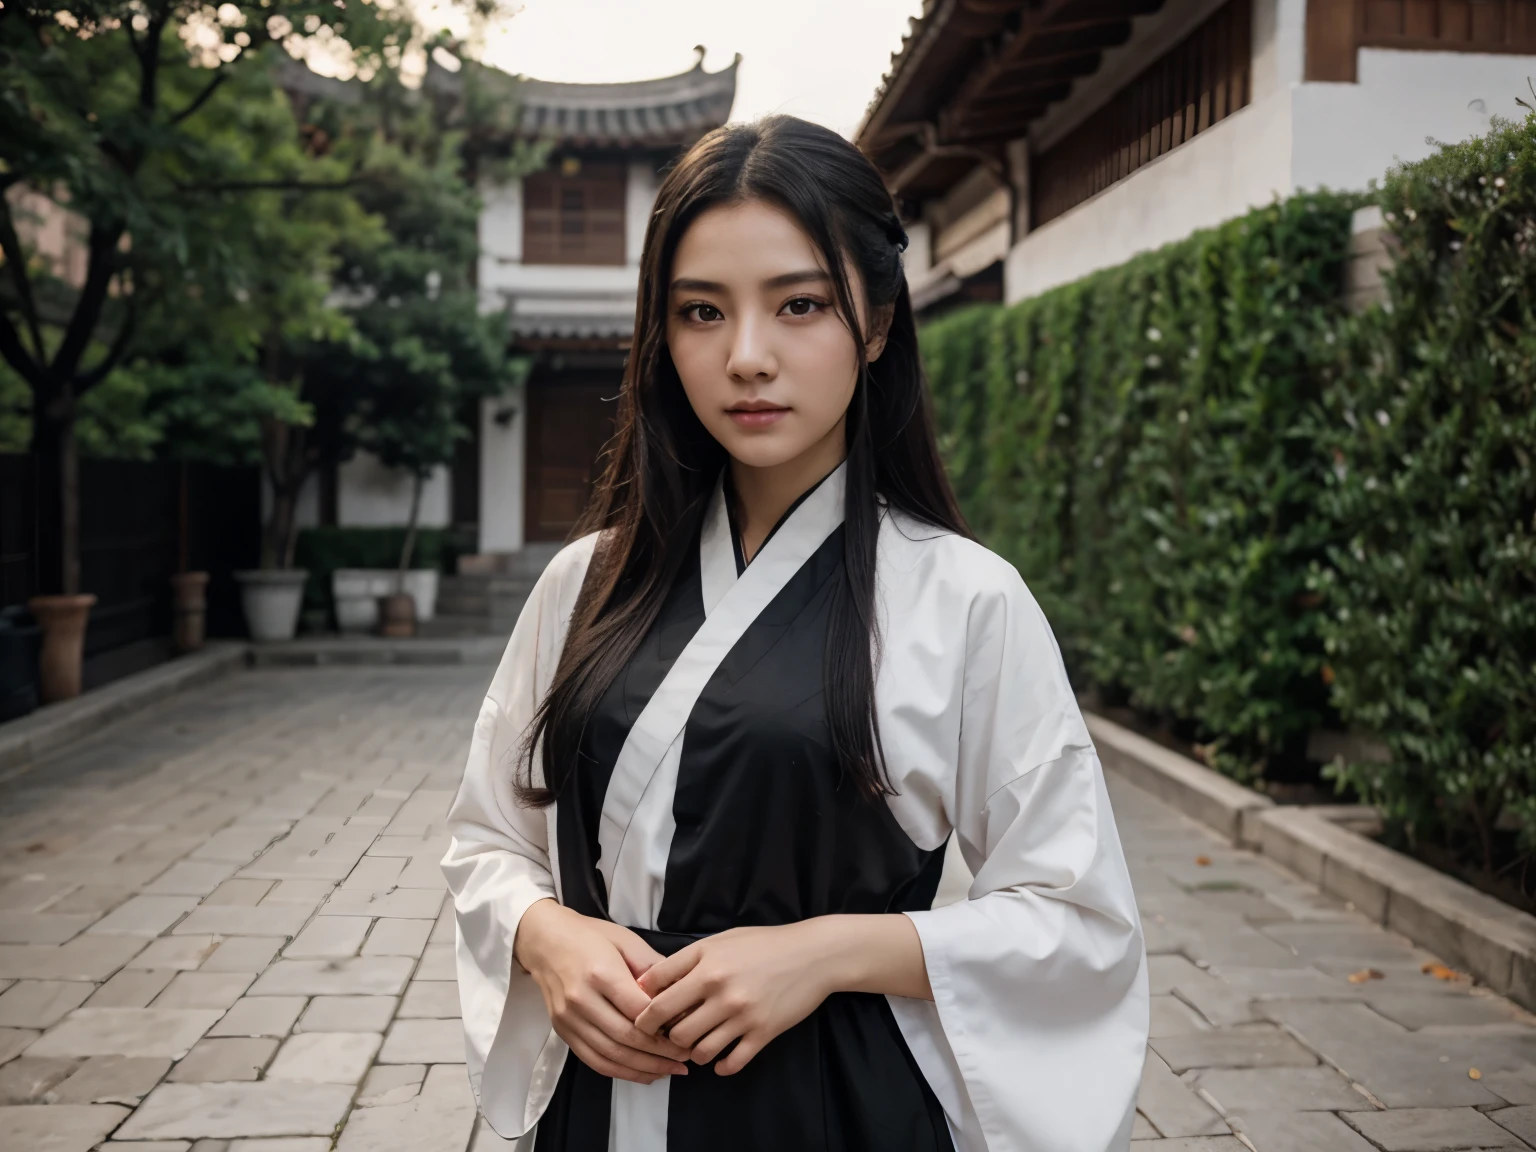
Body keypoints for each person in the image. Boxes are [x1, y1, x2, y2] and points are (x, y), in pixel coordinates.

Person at [441, 114, 1149, 1152]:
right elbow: (488, 838)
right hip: (601, 1098)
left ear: (875, 322)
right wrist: (545, 937)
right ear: (661, 332)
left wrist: (823, 954)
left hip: (835, 1107)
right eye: (700, 311)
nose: (747, 357)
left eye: (800, 304)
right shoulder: (584, 582)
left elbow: (1074, 919)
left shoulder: (965, 599)